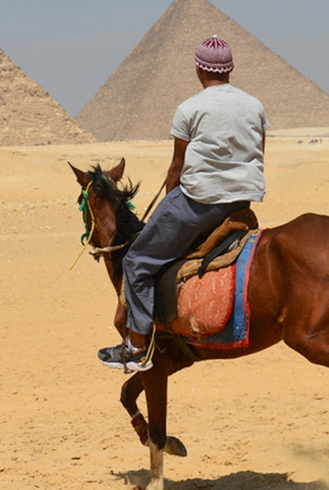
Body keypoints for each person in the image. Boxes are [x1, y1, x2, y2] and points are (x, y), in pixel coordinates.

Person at [98, 35, 270, 372]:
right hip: (240, 201)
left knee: (137, 260)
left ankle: (134, 347)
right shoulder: (254, 106)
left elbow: (177, 167)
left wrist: (169, 207)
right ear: (231, 68)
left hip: (199, 202)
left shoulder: (190, 108)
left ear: (198, 69)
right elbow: (257, 153)